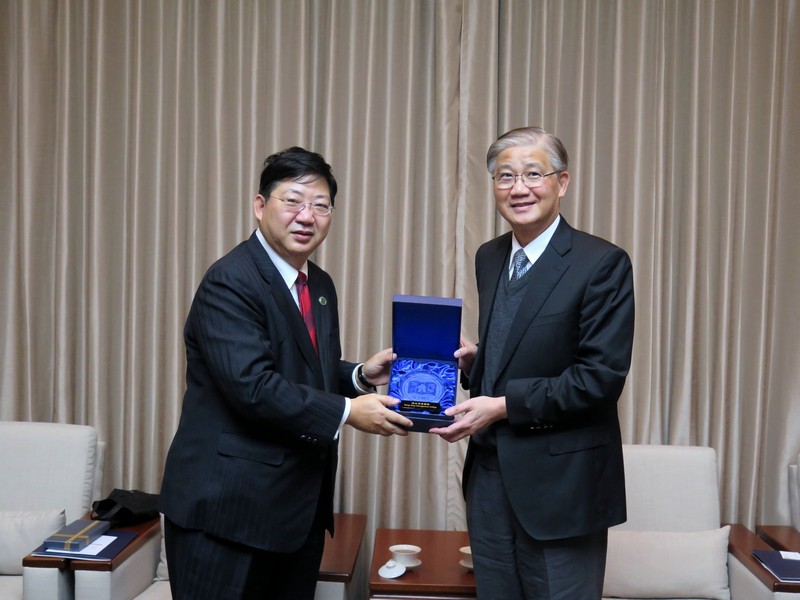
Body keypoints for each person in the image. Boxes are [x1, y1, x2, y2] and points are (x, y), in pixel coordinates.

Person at [160, 146, 413, 600]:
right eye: (292, 201)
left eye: (320, 205)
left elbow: (298, 369)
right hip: (226, 517)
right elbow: (252, 386)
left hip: (294, 516)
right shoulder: (231, 280)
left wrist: (358, 376)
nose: (306, 216)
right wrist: (348, 411)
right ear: (260, 207)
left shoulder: (317, 284)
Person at [431, 126, 635, 599]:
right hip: (489, 476)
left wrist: (502, 404)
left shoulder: (600, 263)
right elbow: (520, 347)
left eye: (532, 174)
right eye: (505, 177)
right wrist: (476, 364)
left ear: (561, 182)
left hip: (562, 484)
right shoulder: (490, 256)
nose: (518, 188)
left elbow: (598, 379)